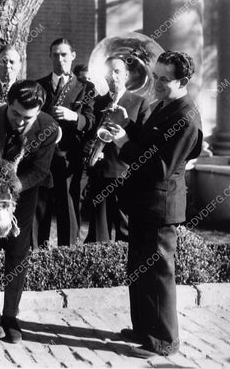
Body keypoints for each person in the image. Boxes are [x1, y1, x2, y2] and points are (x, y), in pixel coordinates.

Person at [105, 51, 202, 357]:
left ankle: (164, 341)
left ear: (183, 81)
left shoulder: (186, 116)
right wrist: (128, 126)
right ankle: (145, 328)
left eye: (164, 79)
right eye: (156, 76)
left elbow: (159, 166)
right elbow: (149, 142)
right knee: (139, 268)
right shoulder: (165, 104)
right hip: (144, 203)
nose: (156, 84)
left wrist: (123, 144)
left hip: (161, 207)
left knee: (158, 274)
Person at [0, 80, 59, 344]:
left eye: (27, 118)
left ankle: (10, 317)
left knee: (18, 252)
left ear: (39, 110)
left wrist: (13, 187)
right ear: (8, 103)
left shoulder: (48, 129)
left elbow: (40, 171)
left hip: (23, 194)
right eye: (15, 113)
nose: (19, 121)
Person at [35, 38, 95, 247]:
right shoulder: (39, 85)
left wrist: (73, 116)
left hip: (70, 158)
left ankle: (67, 254)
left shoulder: (85, 87)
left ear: (73, 56)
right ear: (50, 56)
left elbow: (91, 121)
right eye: (55, 55)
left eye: (64, 55)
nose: (60, 60)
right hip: (42, 157)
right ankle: (38, 255)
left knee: (68, 208)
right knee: (40, 209)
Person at [84, 56, 150, 243]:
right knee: (98, 233)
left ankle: (126, 270)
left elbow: (144, 140)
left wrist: (126, 124)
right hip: (100, 172)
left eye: (117, 71)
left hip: (125, 174)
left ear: (127, 75)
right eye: (109, 72)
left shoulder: (140, 103)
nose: (113, 76)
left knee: (125, 231)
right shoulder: (97, 102)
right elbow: (89, 132)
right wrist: (89, 145)